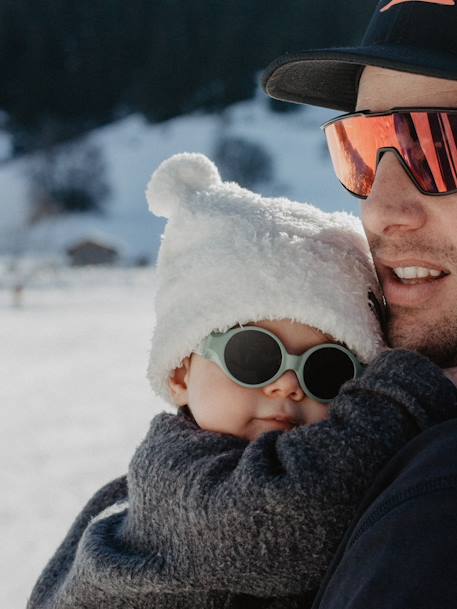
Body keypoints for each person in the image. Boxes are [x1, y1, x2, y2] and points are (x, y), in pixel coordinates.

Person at [26, 153, 457, 609]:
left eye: (327, 369)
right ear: (179, 372)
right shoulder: (179, 479)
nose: (288, 385)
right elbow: (287, 520)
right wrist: (404, 396)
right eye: (254, 356)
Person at [262, 1, 457, 607]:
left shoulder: (437, 502)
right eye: (364, 143)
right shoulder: (358, 426)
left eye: (442, 145)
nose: (383, 208)